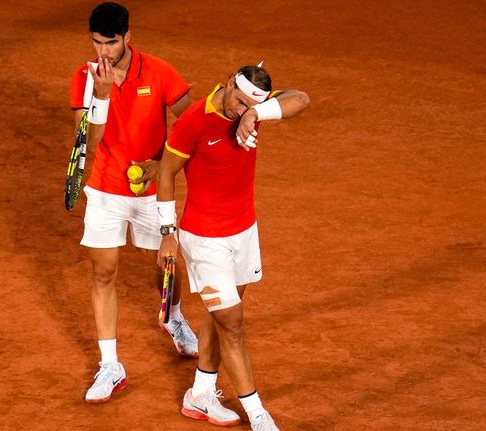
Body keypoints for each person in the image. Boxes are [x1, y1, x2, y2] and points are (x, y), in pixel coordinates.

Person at [156, 64, 310, 430]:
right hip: (205, 238)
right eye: (238, 102)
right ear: (228, 84)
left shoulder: (251, 112)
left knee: (217, 315)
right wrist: (166, 231)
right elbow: (165, 172)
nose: (238, 112)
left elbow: (301, 98)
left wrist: (255, 113)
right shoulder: (194, 120)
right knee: (233, 324)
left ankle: (200, 394)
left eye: (247, 108)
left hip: (244, 232)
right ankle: (259, 415)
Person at [68, 2, 199, 404]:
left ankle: (173, 317)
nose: (103, 52)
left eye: (110, 43)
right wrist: (102, 97)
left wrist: (163, 163)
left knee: (169, 265)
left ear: (128, 38)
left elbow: (192, 123)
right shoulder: (85, 77)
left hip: (151, 190)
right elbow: (86, 145)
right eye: (96, 42)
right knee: (104, 273)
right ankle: (111, 364)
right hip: (106, 189)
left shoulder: (158, 71)